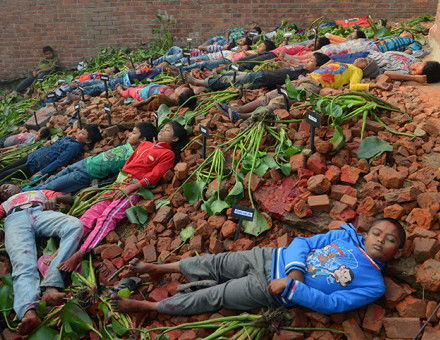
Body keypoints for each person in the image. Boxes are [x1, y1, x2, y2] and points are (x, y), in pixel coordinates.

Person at [110, 219, 405, 316]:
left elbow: (332, 304)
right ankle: (161, 267)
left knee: (217, 296)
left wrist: (291, 286)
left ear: (396, 252)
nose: (381, 240)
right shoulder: (344, 236)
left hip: (271, 290)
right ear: (367, 233)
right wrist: (296, 272)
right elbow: (302, 243)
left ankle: (145, 306)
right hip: (267, 258)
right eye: (377, 232)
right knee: (215, 262)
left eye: (390, 240)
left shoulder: (373, 284)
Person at [57, 122, 189, 272]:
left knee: (108, 217)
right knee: (90, 213)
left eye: (168, 130)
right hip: (118, 184)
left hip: (132, 190)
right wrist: (119, 182)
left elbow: (154, 176)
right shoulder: (145, 144)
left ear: (175, 139)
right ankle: (63, 250)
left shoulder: (168, 154)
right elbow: (128, 164)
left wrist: (131, 187)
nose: (162, 131)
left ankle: (82, 252)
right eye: (163, 128)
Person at [0, 183, 83, 335]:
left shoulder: (39, 192)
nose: (4, 190)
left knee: (74, 225)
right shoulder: (5, 205)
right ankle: (28, 311)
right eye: (2, 191)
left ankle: (52, 284)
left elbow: (71, 198)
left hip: (41, 212)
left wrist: (56, 199)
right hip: (15, 220)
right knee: (22, 261)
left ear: (18, 186)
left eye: (6, 186)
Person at [221, 57, 387, 122]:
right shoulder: (348, 64)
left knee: (280, 100)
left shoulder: (356, 71)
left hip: (314, 85)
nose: (361, 59)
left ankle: (246, 117)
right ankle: (238, 109)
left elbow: (354, 86)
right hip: (306, 78)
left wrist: (373, 85)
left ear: (366, 69)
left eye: (365, 61)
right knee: (271, 95)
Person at [27, 123, 157, 193]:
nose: (129, 134)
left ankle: (23, 196)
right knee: (52, 179)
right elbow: (122, 127)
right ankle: (26, 189)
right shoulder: (129, 144)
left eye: (134, 133)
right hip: (85, 163)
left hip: (86, 175)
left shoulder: (138, 155)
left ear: (143, 139)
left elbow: (119, 175)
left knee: (51, 187)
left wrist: (96, 186)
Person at [0, 125, 102, 182]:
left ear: (88, 141)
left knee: (6, 175)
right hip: (34, 156)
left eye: (83, 134)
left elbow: (60, 161)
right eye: (81, 130)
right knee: (6, 169)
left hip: (36, 165)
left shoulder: (75, 147)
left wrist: (42, 172)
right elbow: (57, 142)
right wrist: (51, 142)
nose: (79, 133)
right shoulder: (71, 138)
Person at [185, 52, 330, 92]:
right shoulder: (302, 67)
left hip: (263, 79)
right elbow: (288, 62)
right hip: (261, 75)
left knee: (233, 80)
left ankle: (200, 82)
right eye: (309, 58)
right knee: (231, 76)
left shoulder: (306, 75)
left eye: (311, 61)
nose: (307, 61)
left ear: (317, 67)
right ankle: (206, 85)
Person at [118, 83, 196, 111]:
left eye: (181, 89)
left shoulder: (162, 100)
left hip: (142, 94)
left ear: (178, 98)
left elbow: (148, 105)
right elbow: (186, 85)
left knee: (130, 91)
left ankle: (121, 90)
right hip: (148, 88)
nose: (181, 87)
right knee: (138, 87)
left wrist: (137, 103)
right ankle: (129, 88)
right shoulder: (175, 92)